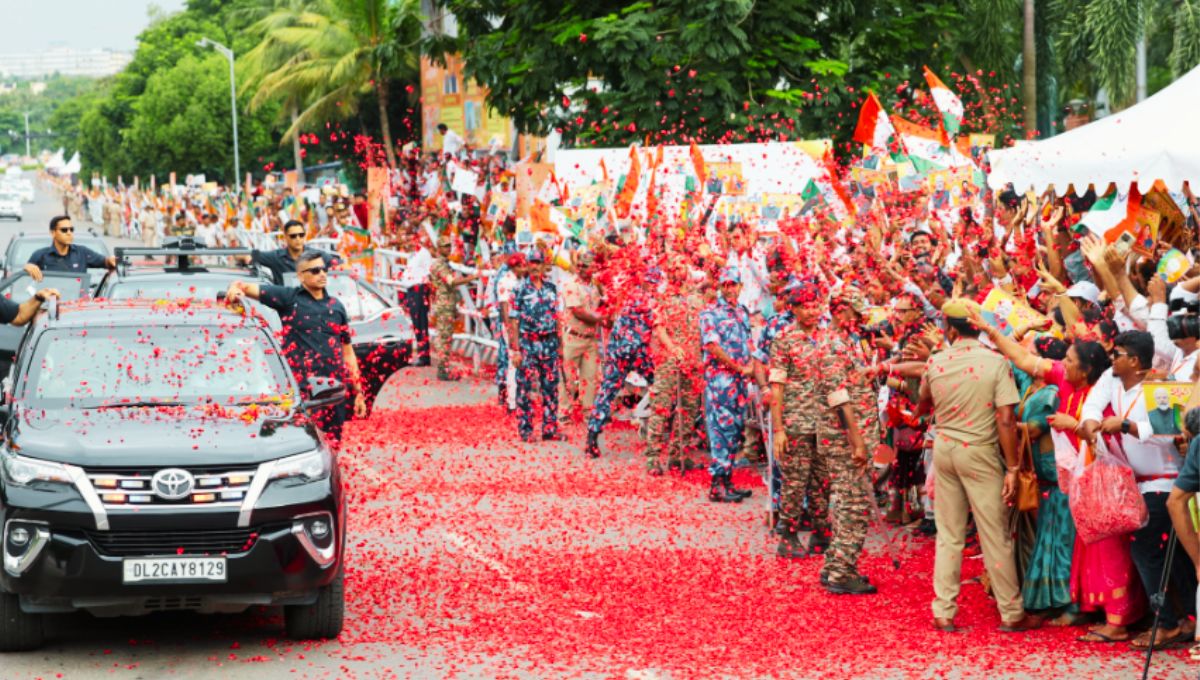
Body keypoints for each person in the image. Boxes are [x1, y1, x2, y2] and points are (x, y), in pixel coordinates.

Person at [919, 298, 1040, 633]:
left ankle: (943, 611)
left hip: (945, 450)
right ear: (979, 325)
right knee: (995, 536)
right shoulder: (994, 362)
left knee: (949, 535)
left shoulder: (936, 361)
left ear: (947, 328)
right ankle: (1012, 613)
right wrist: (1013, 468)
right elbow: (1005, 418)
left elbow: (922, 403)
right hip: (981, 452)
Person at [1081, 330, 1198, 650]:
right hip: (1136, 484)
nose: (1110, 358)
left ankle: (1167, 623)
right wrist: (1091, 425)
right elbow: (1091, 406)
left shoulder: (1161, 387)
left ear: (1134, 360)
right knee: (1170, 557)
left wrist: (1127, 426)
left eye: (1116, 353)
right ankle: (1187, 617)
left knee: (1146, 552)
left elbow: (1170, 430)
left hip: (1166, 482)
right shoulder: (1112, 378)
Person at [770, 281, 875, 597]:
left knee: (823, 483)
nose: (811, 311)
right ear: (794, 309)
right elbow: (777, 385)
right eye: (805, 306)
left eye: (815, 305)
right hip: (798, 419)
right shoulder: (785, 339)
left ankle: (821, 532)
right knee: (795, 480)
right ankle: (787, 534)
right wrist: (779, 429)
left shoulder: (830, 338)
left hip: (825, 425)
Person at [224, 251, 367, 446]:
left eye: (324, 269)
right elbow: (244, 287)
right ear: (300, 275)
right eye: (315, 271)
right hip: (302, 391)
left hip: (333, 389)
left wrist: (358, 391)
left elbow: (347, 352)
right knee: (305, 443)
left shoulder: (337, 306)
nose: (322, 274)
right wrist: (235, 289)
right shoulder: (288, 298)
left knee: (334, 443)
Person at [584, 269, 657, 458]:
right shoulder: (649, 300)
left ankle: (592, 435)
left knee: (607, 392)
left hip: (619, 351)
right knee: (659, 386)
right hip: (637, 352)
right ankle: (658, 436)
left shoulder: (628, 294)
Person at [643, 255, 705, 475]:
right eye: (672, 267)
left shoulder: (697, 297)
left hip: (692, 359)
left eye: (680, 266)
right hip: (669, 360)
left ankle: (678, 455)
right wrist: (672, 348)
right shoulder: (661, 297)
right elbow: (659, 328)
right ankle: (653, 457)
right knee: (661, 406)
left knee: (689, 409)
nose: (676, 270)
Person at [699, 266, 754, 503]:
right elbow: (712, 346)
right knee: (721, 431)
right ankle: (716, 485)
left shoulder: (742, 312)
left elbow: (749, 344)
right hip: (721, 381)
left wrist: (750, 367)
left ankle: (728, 481)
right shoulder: (710, 313)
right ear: (720, 287)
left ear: (741, 286)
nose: (730, 289)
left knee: (735, 430)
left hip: (740, 382)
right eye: (726, 285)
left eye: (734, 284)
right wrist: (739, 367)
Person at [507, 249, 564, 442]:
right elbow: (513, 321)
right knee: (525, 388)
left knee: (551, 387)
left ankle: (550, 428)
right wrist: (515, 350)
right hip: (528, 343)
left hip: (549, 343)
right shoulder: (519, 289)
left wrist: (560, 344)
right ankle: (526, 429)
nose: (535, 266)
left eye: (538, 263)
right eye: (532, 262)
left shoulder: (551, 288)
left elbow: (557, 317)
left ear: (543, 265)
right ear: (528, 264)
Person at [430, 234, 479, 381]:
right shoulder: (440, 265)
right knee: (444, 338)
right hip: (444, 305)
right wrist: (472, 278)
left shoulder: (443, 263)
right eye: (445, 246)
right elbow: (451, 282)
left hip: (446, 303)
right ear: (439, 248)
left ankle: (443, 367)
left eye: (448, 246)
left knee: (445, 337)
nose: (448, 249)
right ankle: (443, 370)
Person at [559, 253, 602, 420]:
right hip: (573, 337)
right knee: (567, 377)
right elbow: (578, 311)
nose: (582, 268)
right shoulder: (571, 285)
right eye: (581, 265)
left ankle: (588, 411)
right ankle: (564, 411)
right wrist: (600, 318)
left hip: (590, 338)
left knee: (589, 377)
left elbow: (604, 302)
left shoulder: (595, 286)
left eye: (587, 265)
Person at [245, 220, 339, 284]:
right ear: (285, 237)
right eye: (293, 236)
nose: (298, 239)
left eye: (301, 235)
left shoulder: (317, 256)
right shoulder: (276, 257)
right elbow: (248, 254)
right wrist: (246, 258)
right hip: (285, 306)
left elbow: (340, 265)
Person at [25, 216, 117, 281]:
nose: (69, 233)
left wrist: (111, 261)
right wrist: (28, 267)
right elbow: (26, 274)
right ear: (53, 233)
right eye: (64, 230)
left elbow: (105, 262)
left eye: (71, 229)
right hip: (50, 304)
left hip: (76, 305)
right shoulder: (40, 255)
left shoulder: (82, 252)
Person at [400, 229, 433, 367]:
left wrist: (425, 292)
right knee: (416, 323)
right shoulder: (411, 256)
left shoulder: (424, 254)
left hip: (419, 289)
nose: (407, 243)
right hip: (411, 290)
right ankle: (421, 353)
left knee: (421, 323)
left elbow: (428, 273)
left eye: (409, 239)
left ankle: (425, 355)